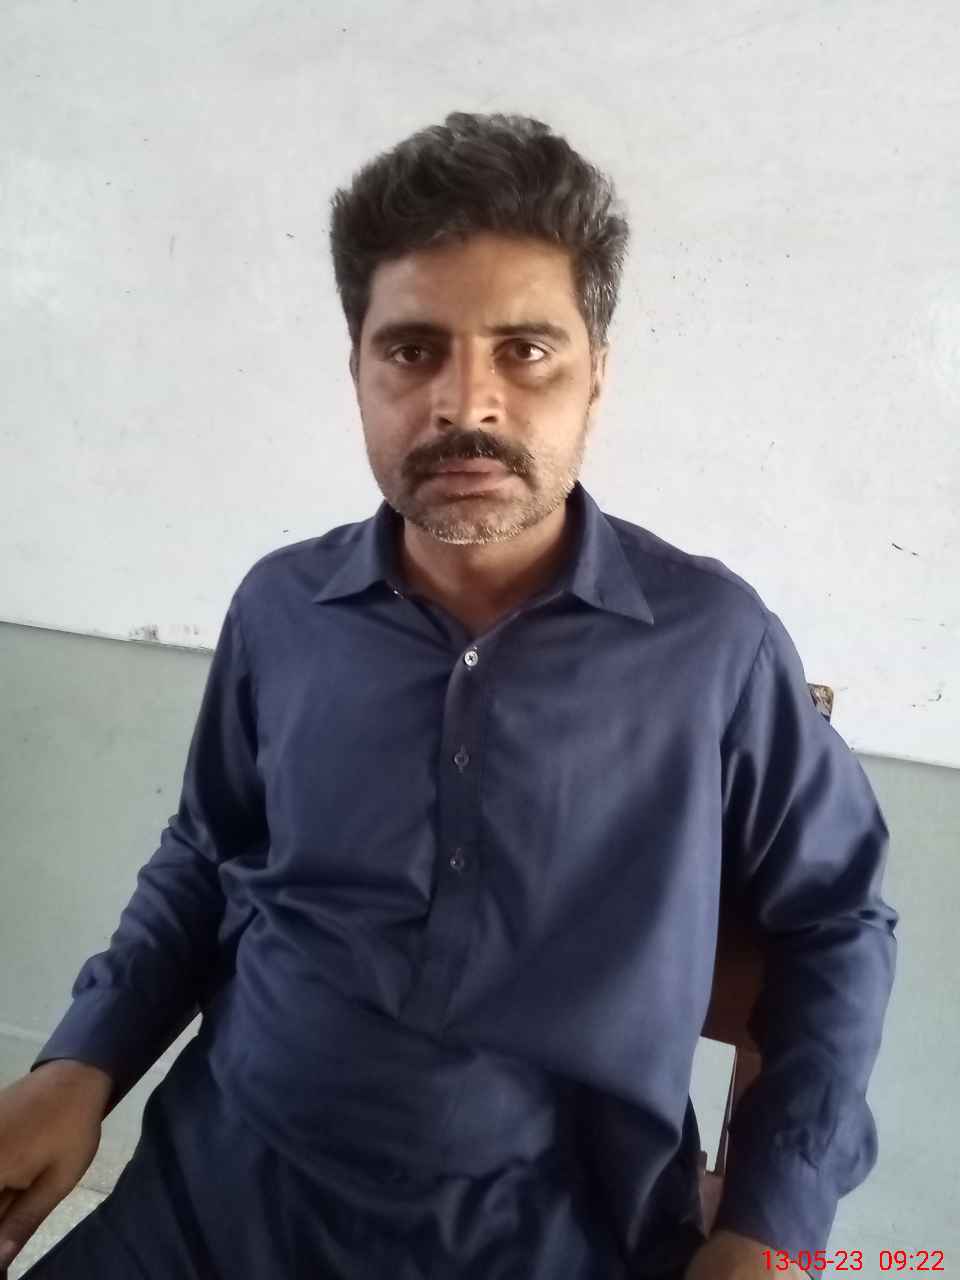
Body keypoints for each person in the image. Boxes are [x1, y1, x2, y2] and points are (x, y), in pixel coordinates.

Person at [0, 112, 897, 1279]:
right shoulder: (282, 607)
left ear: (596, 375)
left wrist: (771, 1223)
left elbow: (835, 921)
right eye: (413, 349)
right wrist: (80, 1062)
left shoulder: (711, 643)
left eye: (525, 350)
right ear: (358, 371)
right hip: (210, 1200)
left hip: (558, 1235)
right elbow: (208, 852)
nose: (466, 404)